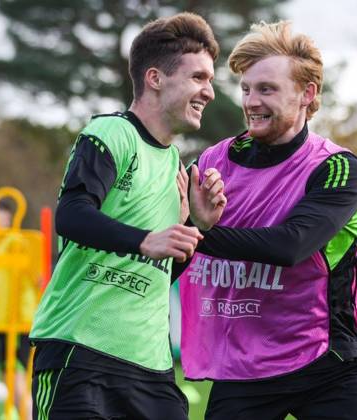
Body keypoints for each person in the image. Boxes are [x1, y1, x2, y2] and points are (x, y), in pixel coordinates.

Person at [179, 21, 357, 419]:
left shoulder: (337, 168)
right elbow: (172, 245)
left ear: (307, 94)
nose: (252, 102)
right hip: (242, 367)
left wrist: (201, 231)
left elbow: (291, 245)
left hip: (324, 363)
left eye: (267, 89)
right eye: (246, 89)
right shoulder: (211, 162)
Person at [28, 12, 226, 420]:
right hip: (80, 350)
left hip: (150, 366)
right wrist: (145, 239)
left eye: (210, 79)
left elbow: (159, 271)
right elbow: (72, 215)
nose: (209, 91)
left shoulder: (176, 167)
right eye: (198, 77)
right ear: (155, 78)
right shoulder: (111, 133)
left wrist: (197, 226)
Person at [0, 200, 34, 419]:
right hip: (0, 320)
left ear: (8, 218)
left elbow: (30, 278)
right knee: (9, 375)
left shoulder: (16, 242)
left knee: (14, 375)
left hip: (17, 320)